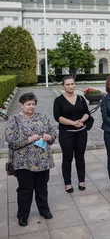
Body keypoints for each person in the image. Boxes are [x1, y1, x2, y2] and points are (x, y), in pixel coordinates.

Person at [6, 92, 56, 227]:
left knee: (42, 188)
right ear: (21, 105)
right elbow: (11, 140)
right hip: (24, 162)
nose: (31, 107)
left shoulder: (43, 117)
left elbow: (53, 133)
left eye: (33, 104)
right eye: (28, 104)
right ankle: (23, 215)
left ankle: (44, 210)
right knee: (25, 189)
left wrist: (49, 137)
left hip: (43, 160)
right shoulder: (14, 119)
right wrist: (30, 139)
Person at [53, 76, 90, 193]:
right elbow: (57, 117)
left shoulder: (80, 98)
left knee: (80, 157)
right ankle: (68, 183)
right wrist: (72, 123)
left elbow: (87, 113)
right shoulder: (58, 100)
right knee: (67, 158)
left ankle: (81, 180)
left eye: (72, 84)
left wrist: (82, 121)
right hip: (66, 134)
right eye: (67, 84)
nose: (70, 86)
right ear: (63, 86)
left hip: (81, 133)